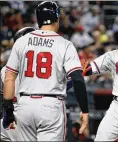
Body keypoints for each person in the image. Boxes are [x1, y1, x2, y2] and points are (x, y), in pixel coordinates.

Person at [2, 1, 89, 141]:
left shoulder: (21, 42)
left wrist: (8, 109)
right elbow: (77, 79)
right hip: (51, 105)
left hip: (24, 105)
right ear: (56, 17)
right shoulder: (64, 44)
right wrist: (84, 111)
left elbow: (9, 77)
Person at [0, 27, 36, 141]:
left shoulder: (5, 69)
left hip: (12, 118)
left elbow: (5, 98)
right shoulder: (39, 70)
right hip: (32, 120)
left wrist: (8, 117)